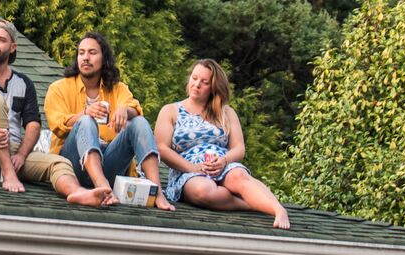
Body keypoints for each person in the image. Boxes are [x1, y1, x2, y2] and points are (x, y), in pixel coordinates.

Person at [0, 19, 113, 206]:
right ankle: (7, 172)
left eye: (0, 40)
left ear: (13, 47)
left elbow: (33, 124)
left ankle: (78, 193)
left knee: (60, 163)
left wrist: (21, 155)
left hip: (13, 152)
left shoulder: (24, 83)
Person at [44, 32, 173, 210]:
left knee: (139, 122)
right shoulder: (58, 88)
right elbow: (57, 124)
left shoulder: (117, 89)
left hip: (109, 163)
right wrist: (85, 113)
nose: (85, 58)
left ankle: (157, 191)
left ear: (104, 58)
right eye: (81, 53)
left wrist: (124, 110)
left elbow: (134, 108)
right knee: (86, 121)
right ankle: (102, 186)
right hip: (73, 168)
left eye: (92, 52)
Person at [155, 59, 290, 229]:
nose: (196, 84)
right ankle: (252, 203)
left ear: (213, 87)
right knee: (203, 190)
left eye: (204, 82)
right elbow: (162, 148)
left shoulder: (226, 112)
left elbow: (239, 148)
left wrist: (224, 161)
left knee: (238, 176)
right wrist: (192, 167)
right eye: (194, 78)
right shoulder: (171, 110)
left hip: (222, 163)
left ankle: (278, 210)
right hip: (187, 170)